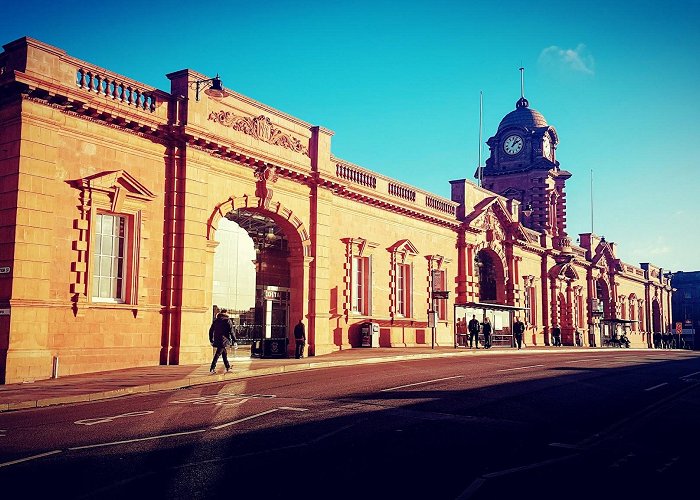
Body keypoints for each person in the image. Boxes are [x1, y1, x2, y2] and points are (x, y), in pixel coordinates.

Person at [209, 309, 235, 374]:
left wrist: (211, 339)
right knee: (217, 354)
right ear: (226, 313)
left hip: (217, 339)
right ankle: (212, 368)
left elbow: (211, 330)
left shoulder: (216, 321)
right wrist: (235, 340)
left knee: (224, 353)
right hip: (224, 340)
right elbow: (231, 331)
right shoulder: (227, 320)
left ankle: (228, 367)